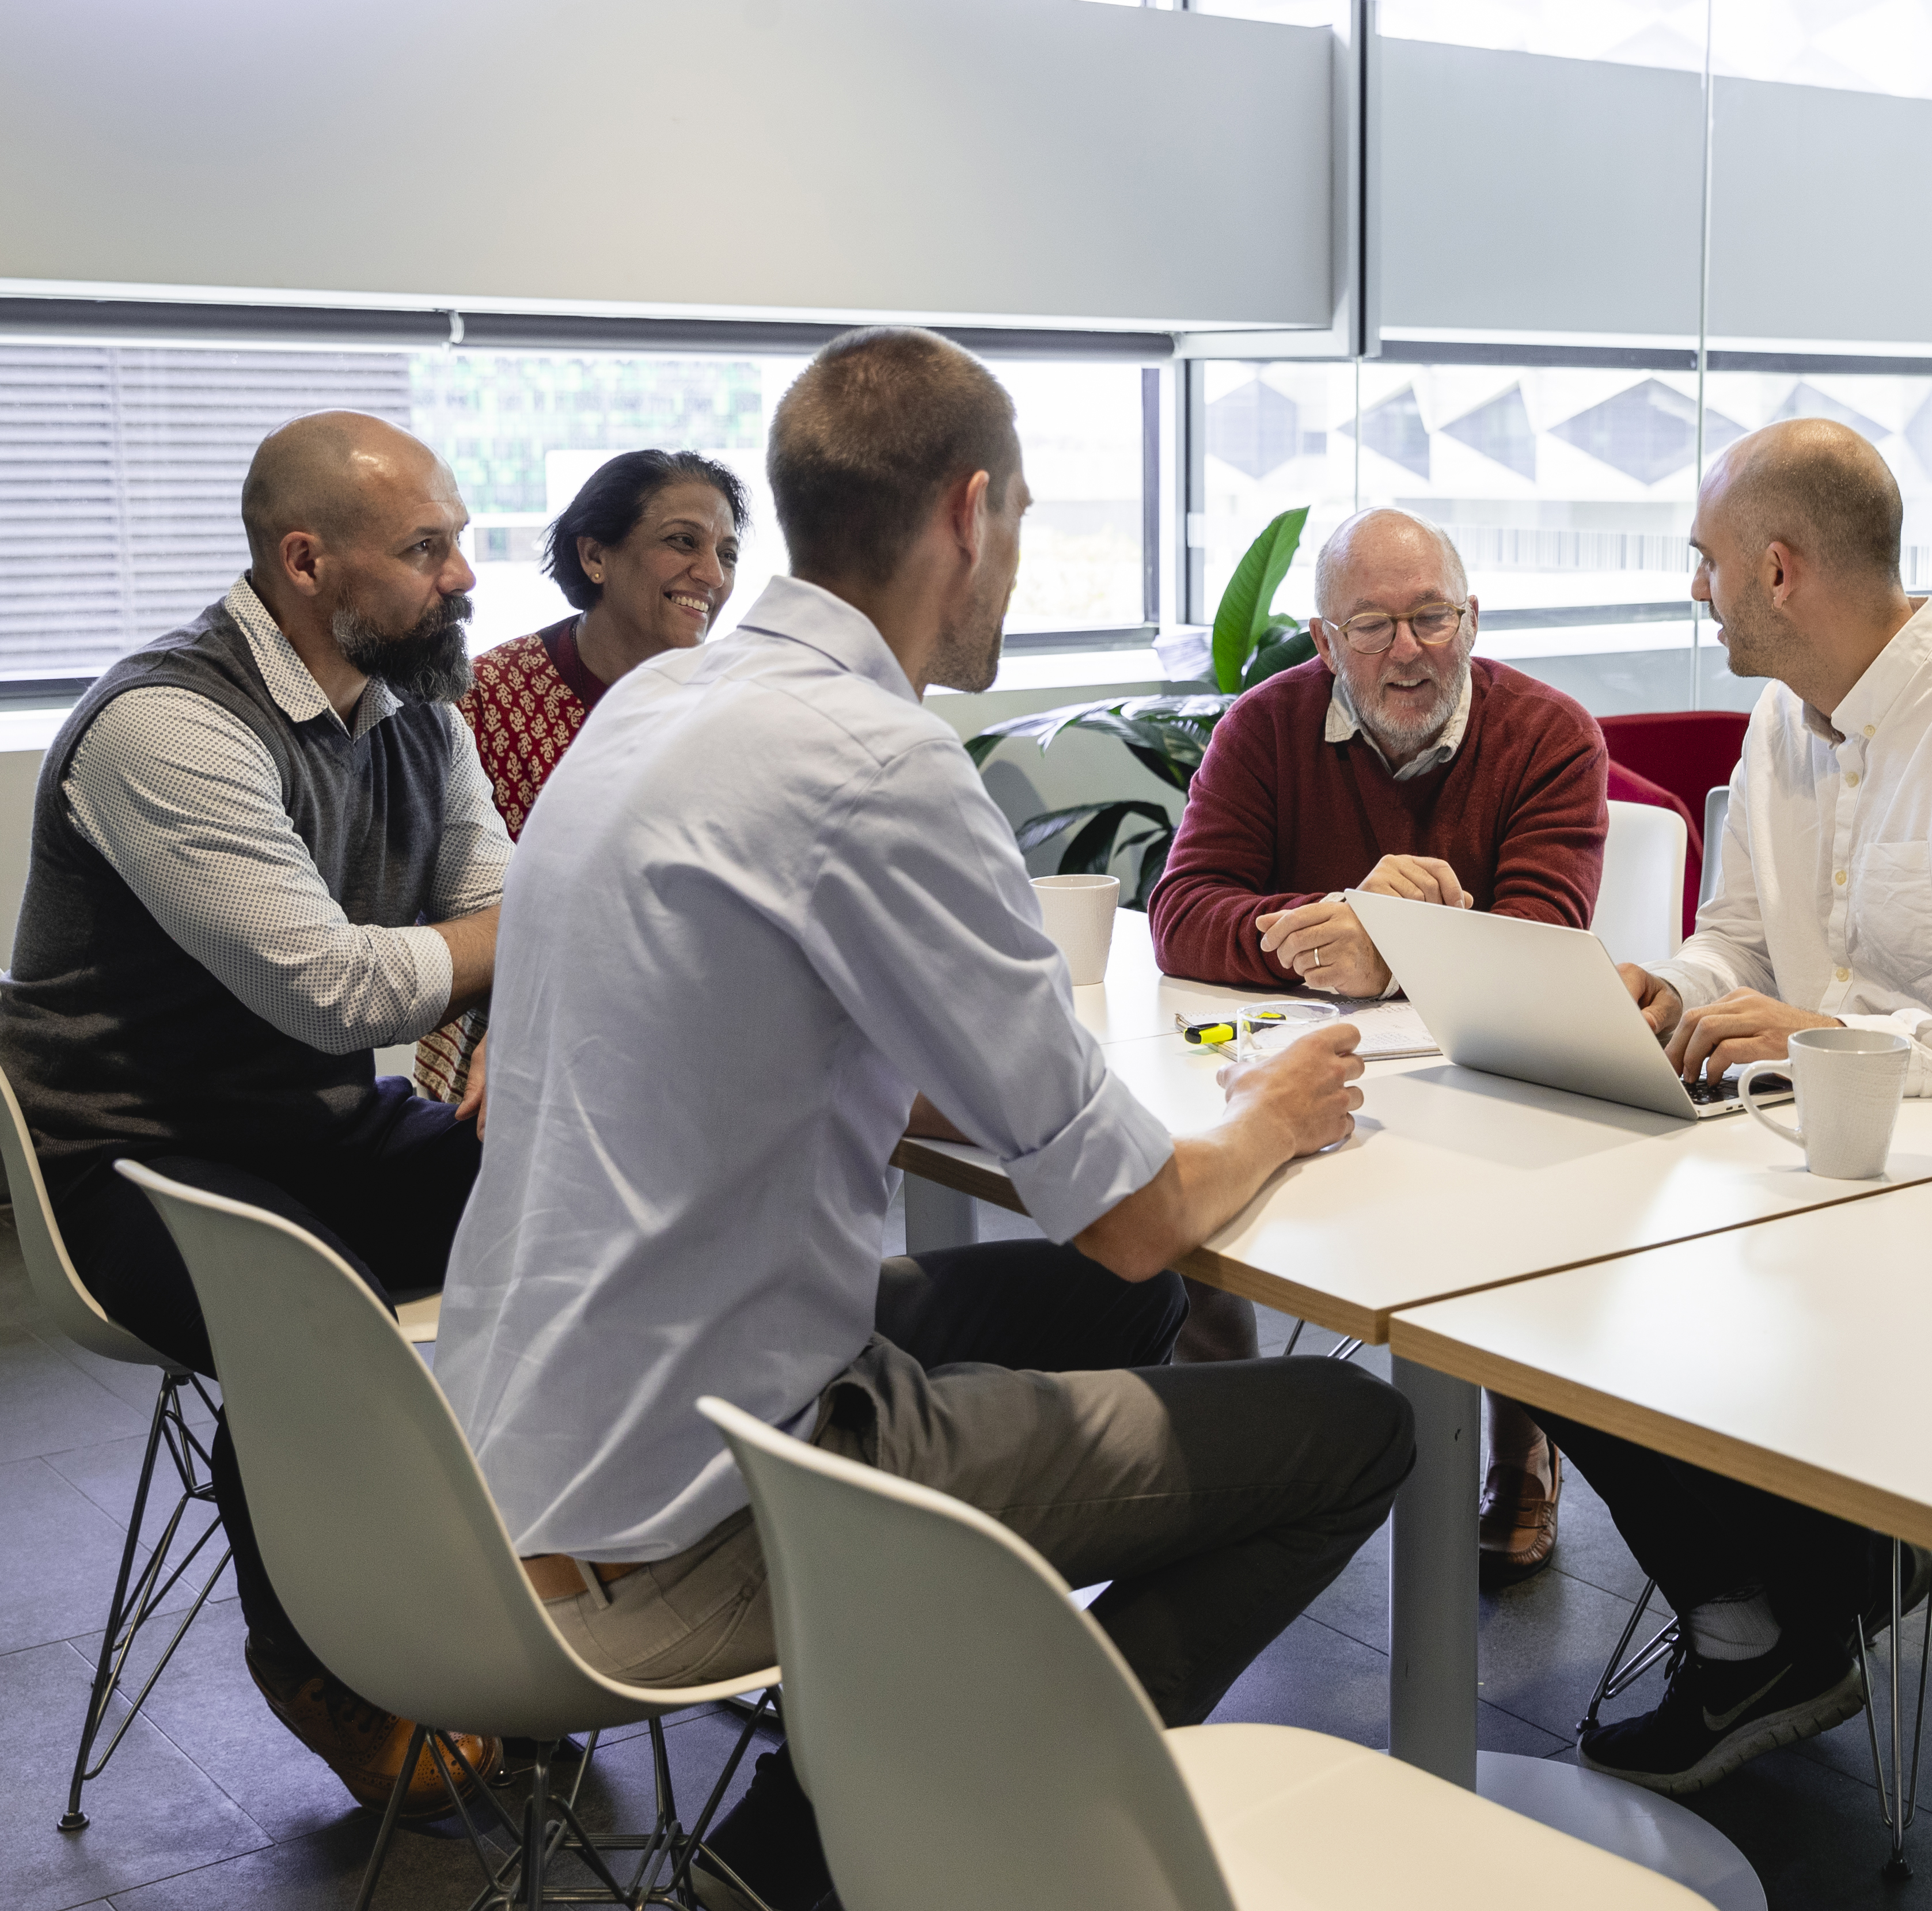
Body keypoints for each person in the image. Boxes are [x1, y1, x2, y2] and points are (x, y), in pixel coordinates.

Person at [435, 328, 1414, 1911]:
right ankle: (890, 1832)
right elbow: (1136, 1205)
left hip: (513, 1424)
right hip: (698, 1495)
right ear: (969, 512)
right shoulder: (876, 759)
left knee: (1122, 1306)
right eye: (1022, 518)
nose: (1017, 560)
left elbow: (777, 1018)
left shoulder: (657, 704)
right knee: (1353, 1429)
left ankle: (883, 1732)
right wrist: (1273, 1111)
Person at [1540, 416, 1932, 1796]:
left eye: (1704, 562)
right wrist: (1679, 993)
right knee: (1545, 1295)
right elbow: (1745, 947)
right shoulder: (1786, 721)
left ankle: (1798, 1597)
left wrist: (1846, 1037)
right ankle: (1783, 1602)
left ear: (1780, 569)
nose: (1694, 588)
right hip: (1834, 1185)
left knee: (1645, 1293)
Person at [0, 412, 511, 1817]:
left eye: (457, 540)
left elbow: (492, 906)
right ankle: (324, 1662)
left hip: (301, 1131)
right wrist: (513, 948)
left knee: (573, 1216)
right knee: (312, 1312)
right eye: (426, 550)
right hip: (129, 1163)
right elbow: (337, 993)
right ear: (307, 562)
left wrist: (500, 1032)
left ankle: (524, 1607)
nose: (463, 576)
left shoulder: (419, 709)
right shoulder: (164, 726)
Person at [1148, 505, 1607, 1578]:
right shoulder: (1264, 725)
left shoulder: (1547, 733)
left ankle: (1520, 1443)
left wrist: (1390, 948)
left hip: (1485, 1071)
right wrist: (1338, 918)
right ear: (1323, 640)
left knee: (1520, 1163)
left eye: (1432, 617)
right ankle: (1224, 1442)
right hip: (1315, 1057)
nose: (1409, 651)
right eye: (1372, 625)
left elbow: (1542, 939)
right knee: (1198, 1144)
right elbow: (1182, 910)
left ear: (1471, 619)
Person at [412, 450, 747, 1099]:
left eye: (728, 554)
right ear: (595, 556)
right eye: (682, 542)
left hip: (694, 1032)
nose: (710, 574)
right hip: (506, 1042)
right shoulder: (485, 698)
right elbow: (448, 900)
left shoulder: (742, 705)